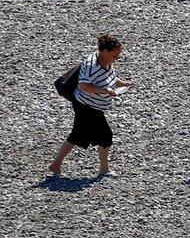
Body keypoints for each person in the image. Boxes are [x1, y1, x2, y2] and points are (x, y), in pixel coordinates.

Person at [49, 34, 133, 177]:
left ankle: (56, 165)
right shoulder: (91, 65)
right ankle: (104, 169)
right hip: (86, 105)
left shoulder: (105, 61)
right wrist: (105, 90)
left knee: (78, 135)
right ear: (105, 52)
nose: (117, 59)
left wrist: (123, 83)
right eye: (115, 55)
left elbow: (109, 77)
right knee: (105, 135)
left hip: (93, 105)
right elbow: (83, 86)